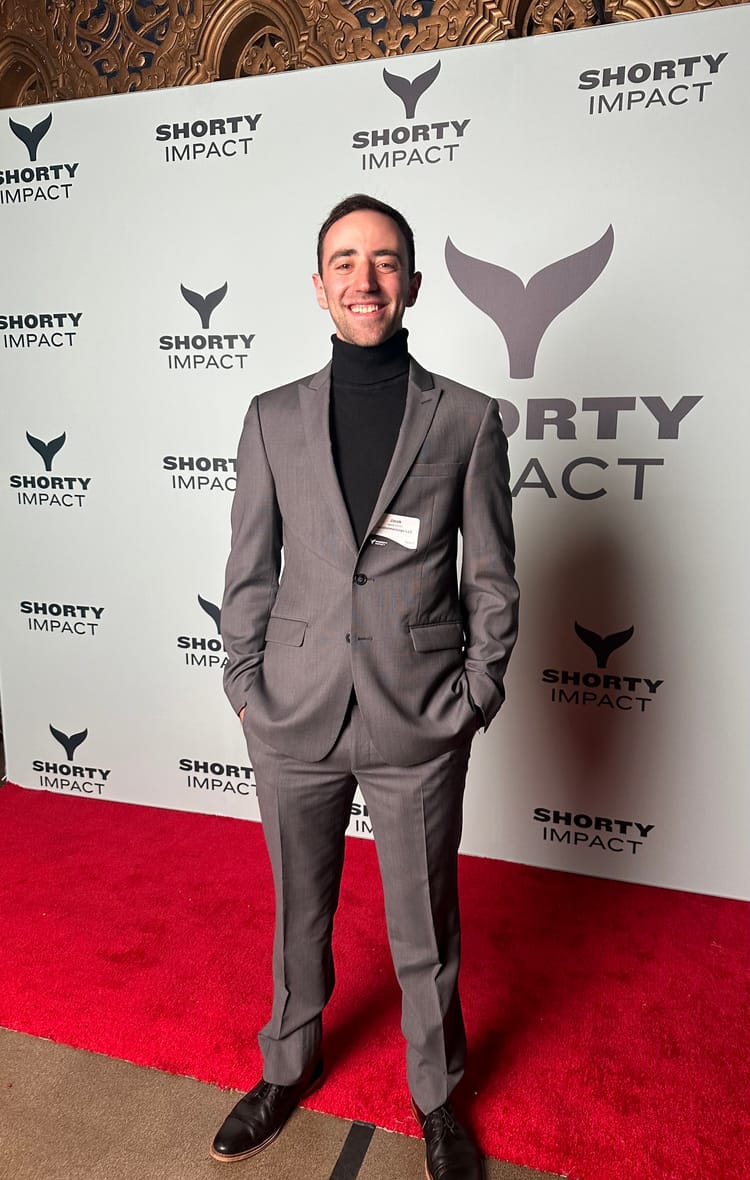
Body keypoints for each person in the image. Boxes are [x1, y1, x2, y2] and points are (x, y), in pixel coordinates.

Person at [213, 193, 519, 1178]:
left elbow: (492, 580)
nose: (365, 279)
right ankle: (285, 1065)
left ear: (413, 284)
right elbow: (248, 571)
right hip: (292, 710)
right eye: (344, 261)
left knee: (424, 926)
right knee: (298, 911)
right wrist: (246, 687)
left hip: (417, 718)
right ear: (318, 286)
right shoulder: (271, 418)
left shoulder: (468, 419)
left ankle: (437, 1099)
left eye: (384, 261)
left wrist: (472, 696)